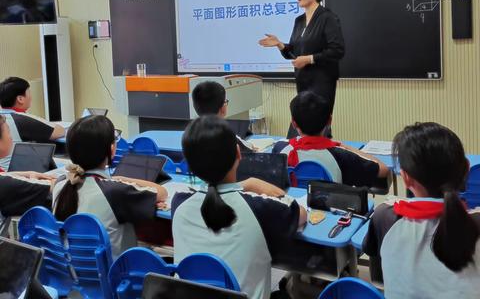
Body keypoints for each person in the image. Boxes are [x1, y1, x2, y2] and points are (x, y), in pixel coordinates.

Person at [172, 116, 306, 299]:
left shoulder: (179, 203)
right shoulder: (262, 208)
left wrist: (242, 186)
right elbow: (300, 213)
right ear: (238, 153)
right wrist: (253, 184)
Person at [363, 122, 480, 298]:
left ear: (405, 178)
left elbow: (378, 275)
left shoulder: (384, 218)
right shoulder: (475, 224)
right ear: (466, 169)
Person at [52, 115, 167, 258]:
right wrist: (123, 180)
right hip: (114, 275)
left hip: (71, 272)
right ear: (112, 149)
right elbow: (162, 193)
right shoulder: (114, 191)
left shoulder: (61, 183)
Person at [259, 0, 344, 137]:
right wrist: (280, 44)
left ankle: (319, 155)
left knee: (316, 126)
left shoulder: (328, 17)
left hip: (322, 81)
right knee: (301, 126)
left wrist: (309, 59)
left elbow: (337, 50)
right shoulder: (299, 21)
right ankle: (296, 157)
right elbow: (294, 52)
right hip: (303, 81)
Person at [273, 92, 388, 186]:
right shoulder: (342, 155)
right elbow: (384, 170)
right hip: (331, 210)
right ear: (329, 121)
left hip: (294, 211)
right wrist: (348, 148)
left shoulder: (280, 148)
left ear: (293, 123)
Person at [192, 81, 256, 152]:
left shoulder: (191, 133)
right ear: (222, 108)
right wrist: (251, 150)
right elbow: (248, 152)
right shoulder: (227, 137)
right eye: (225, 101)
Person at [0, 76, 65, 142]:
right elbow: (59, 131)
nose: (31, 97)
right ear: (20, 99)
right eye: (29, 93)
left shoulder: (2, 117)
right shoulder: (23, 119)